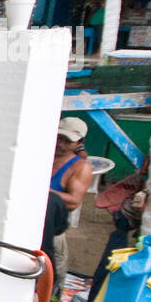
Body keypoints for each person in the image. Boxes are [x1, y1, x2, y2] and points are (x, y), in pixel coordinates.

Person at [50, 116, 93, 291]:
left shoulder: (80, 167)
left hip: (53, 229)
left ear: (79, 143)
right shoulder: (45, 155)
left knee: (52, 274)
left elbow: (74, 201)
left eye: (67, 141)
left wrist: (38, 192)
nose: (61, 143)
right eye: (59, 137)